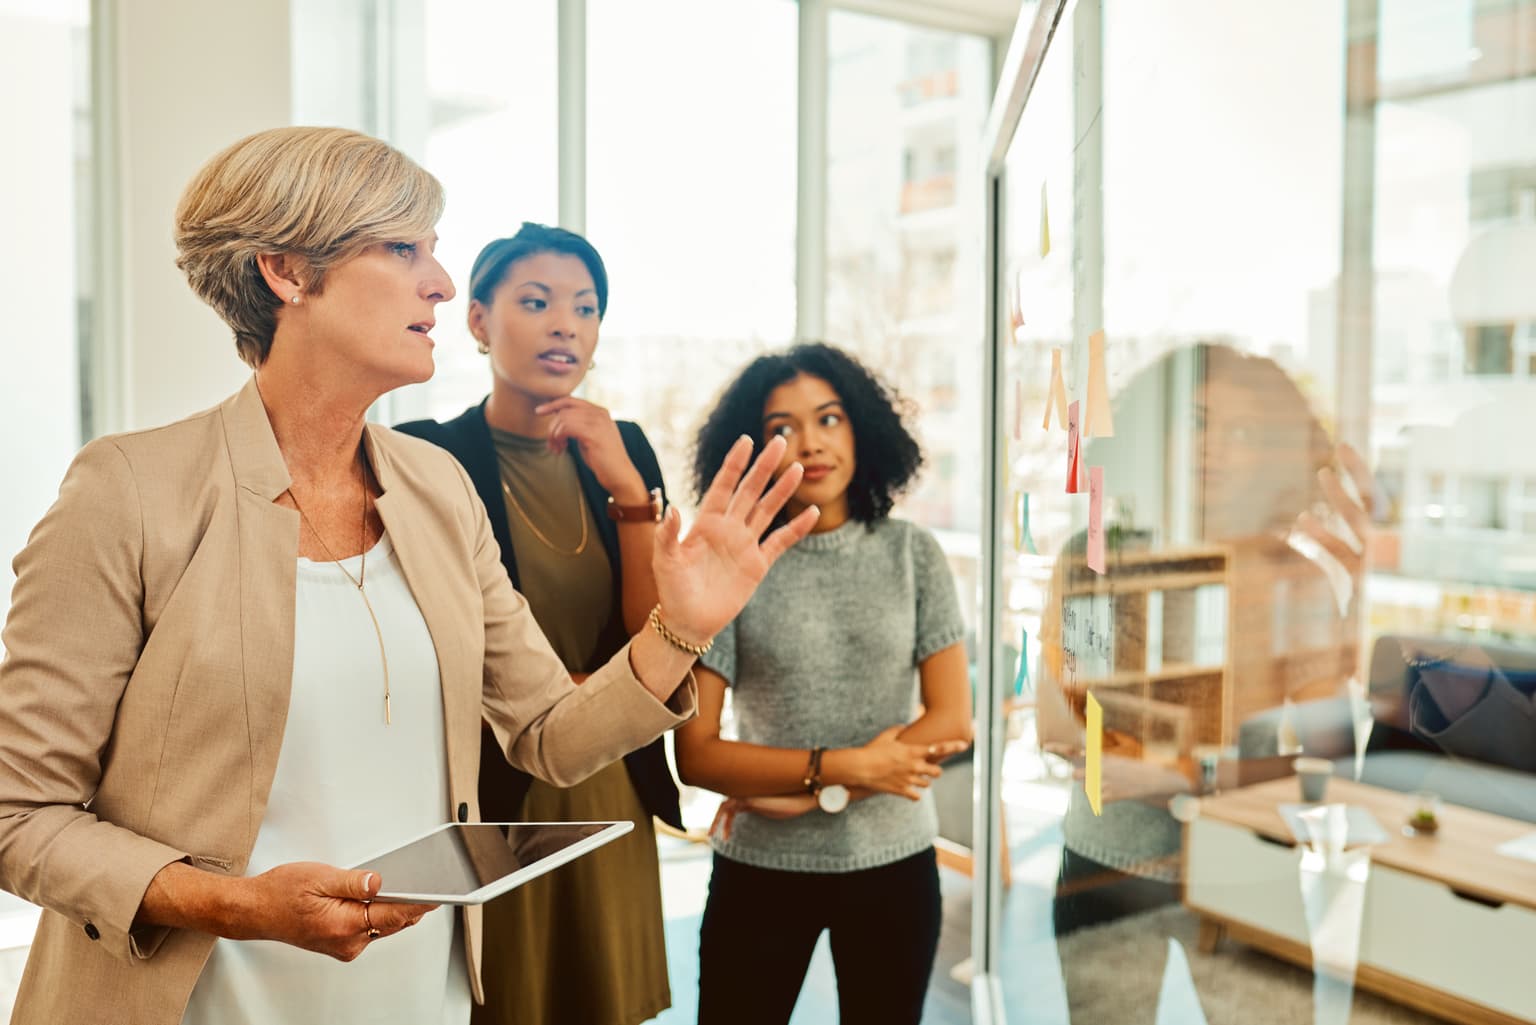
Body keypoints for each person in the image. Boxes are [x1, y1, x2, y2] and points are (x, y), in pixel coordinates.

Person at [0, 126, 816, 1025]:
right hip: (197, 1001)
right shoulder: (130, 491)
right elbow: (20, 812)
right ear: (288, 271)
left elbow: (549, 732)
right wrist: (234, 903)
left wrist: (682, 626)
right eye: (403, 248)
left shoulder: (435, 487)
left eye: (433, 249)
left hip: (415, 997)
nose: (441, 281)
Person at [1034, 343, 1370, 1018]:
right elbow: (1067, 733)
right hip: (1110, 869)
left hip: (1248, 869)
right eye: (1194, 418)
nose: (1211, 446)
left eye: (1242, 432)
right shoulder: (1096, 559)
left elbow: (1323, 767)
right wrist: (1217, 768)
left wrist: (1181, 775)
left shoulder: (1294, 580)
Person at [396, 222, 677, 1025]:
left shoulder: (627, 449)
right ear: (479, 321)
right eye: (537, 301)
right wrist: (574, 692)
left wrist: (630, 494)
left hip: (611, 777)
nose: (566, 324)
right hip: (493, 789)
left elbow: (657, 638)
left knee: (605, 1000)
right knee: (504, 1000)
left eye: (586, 308)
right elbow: (432, 642)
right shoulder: (427, 457)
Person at [675, 343, 973, 1025]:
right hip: (761, 867)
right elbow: (696, 754)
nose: (810, 442)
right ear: (750, 449)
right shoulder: (732, 566)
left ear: (861, 427)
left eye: (829, 418)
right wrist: (844, 766)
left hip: (894, 862)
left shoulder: (912, 553)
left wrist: (817, 789)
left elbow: (952, 717)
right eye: (782, 428)